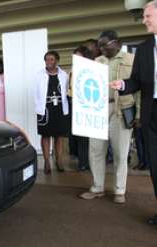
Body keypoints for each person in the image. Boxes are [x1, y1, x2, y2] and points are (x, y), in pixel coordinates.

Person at [110, 0, 157, 222]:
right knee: (155, 166)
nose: (144, 20)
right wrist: (124, 85)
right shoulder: (145, 48)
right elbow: (136, 81)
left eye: (148, 16)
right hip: (152, 113)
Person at [79, 30, 138, 204]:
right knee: (96, 150)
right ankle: (97, 187)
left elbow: (140, 87)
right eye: (100, 45)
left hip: (122, 108)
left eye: (105, 44)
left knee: (121, 152)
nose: (102, 48)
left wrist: (140, 113)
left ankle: (120, 190)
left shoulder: (131, 60)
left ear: (117, 42)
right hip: (98, 109)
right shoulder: (97, 61)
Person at [35, 51, 69, 174]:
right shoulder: (39, 75)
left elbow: (66, 91)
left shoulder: (64, 75)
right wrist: (38, 108)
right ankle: (47, 162)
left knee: (59, 136)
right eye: (47, 60)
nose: (49, 62)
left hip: (60, 108)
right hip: (45, 109)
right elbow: (36, 93)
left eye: (52, 59)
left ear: (57, 61)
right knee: (45, 135)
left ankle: (59, 161)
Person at [68, 46, 93, 171]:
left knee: (85, 136)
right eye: (74, 56)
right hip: (74, 104)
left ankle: (85, 163)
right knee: (78, 135)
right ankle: (82, 161)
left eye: (79, 56)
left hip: (86, 105)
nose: (76, 58)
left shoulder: (89, 69)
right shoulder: (72, 70)